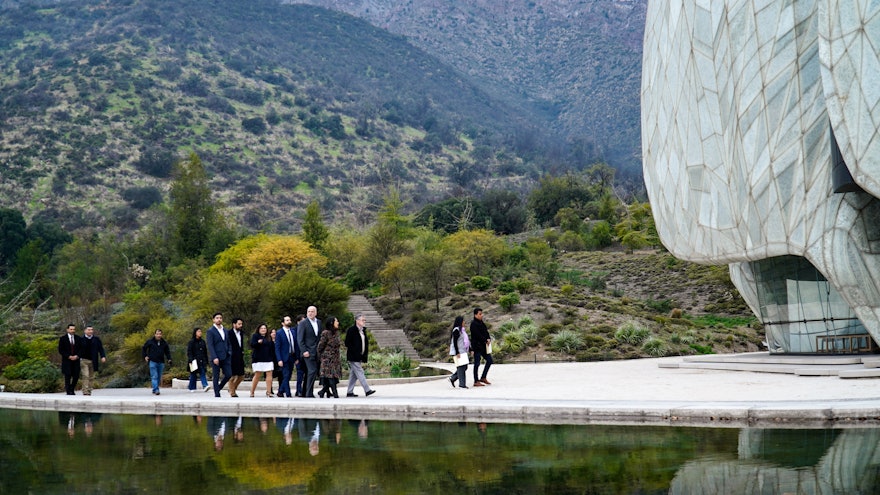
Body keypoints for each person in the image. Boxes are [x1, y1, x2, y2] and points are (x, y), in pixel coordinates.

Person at [345, 313, 376, 397]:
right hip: (353, 356)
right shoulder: (351, 330)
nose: (364, 321)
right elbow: (347, 343)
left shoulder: (363, 331)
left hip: (359, 356)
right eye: (363, 320)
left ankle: (349, 392)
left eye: (364, 320)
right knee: (360, 372)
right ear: (357, 321)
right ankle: (367, 390)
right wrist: (355, 352)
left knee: (353, 375)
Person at [297, 306, 321, 398]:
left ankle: (305, 392)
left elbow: (318, 337)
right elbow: (300, 339)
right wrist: (304, 351)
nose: (310, 313)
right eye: (309, 311)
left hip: (316, 352)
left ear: (316, 313)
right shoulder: (303, 323)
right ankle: (309, 393)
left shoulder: (318, 322)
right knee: (312, 371)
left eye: (312, 311)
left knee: (309, 372)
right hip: (307, 352)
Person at [206, 313, 233, 398]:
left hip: (225, 356)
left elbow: (228, 343)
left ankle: (219, 387)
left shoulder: (225, 330)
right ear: (213, 320)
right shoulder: (210, 331)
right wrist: (214, 357)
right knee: (216, 375)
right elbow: (210, 345)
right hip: (216, 356)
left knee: (229, 374)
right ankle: (217, 393)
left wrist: (229, 351)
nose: (219, 319)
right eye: (217, 318)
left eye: (220, 318)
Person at [316, 316, 342, 398]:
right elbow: (320, 346)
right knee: (330, 376)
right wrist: (321, 355)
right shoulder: (325, 333)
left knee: (333, 376)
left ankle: (323, 391)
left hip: (335, 358)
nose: (338, 323)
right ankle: (335, 393)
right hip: (327, 358)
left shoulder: (336, 333)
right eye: (336, 321)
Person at [142, 329, 171, 395]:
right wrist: (145, 356)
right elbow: (144, 348)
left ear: (161, 335)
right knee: (154, 376)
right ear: (155, 334)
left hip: (161, 362)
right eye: (157, 334)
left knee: (158, 376)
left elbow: (167, 352)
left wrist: (169, 359)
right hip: (152, 361)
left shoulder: (164, 343)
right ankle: (156, 389)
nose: (158, 335)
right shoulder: (150, 342)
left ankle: (155, 388)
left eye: (160, 334)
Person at [79, 325, 106, 396]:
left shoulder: (96, 339)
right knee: (85, 375)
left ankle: (89, 391)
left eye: (91, 330)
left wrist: (103, 356)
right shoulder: (80, 339)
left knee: (91, 377)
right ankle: (85, 391)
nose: (90, 331)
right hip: (84, 360)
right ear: (85, 331)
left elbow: (101, 349)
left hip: (93, 360)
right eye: (89, 330)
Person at [274, 316, 298, 398]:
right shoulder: (279, 333)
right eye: (287, 320)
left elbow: (295, 345)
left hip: (292, 356)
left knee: (289, 375)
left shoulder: (293, 331)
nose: (289, 321)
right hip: (284, 357)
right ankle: (288, 393)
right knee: (286, 375)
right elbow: (277, 347)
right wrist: (279, 359)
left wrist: (296, 357)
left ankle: (280, 391)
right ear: (283, 323)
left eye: (289, 320)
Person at [249, 323, 275, 397]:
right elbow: (252, 345)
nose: (263, 330)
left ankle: (269, 391)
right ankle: (252, 391)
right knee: (257, 375)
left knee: (269, 374)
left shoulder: (269, 338)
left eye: (265, 328)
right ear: (259, 329)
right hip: (258, 358)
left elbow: (272, 348)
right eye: (262, 328)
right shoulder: (255, 336)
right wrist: (258, 343)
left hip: (268, 358)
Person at [469, 307, 493, 386]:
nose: (481, 315)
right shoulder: (473, 324)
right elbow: (477, 335)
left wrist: (488, 338)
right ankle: (476, 381)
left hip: (483, 346)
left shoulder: (481, 323)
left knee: (489, 360)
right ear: (475, 315)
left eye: (482, 314)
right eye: (480, 314)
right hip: (477, 346)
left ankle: (483, 377)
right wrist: (485, 340)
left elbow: (486, 331)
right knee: (477, 363)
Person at [58, 323, 82, 395]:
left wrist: (77, 356)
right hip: (67, 361)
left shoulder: (78, 338)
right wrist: (68, 356)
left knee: (76, 376)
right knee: (67, 376)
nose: (72, 331)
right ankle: (68, 391)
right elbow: (61, 350)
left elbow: (82, 349)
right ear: (67, 329)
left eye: (74, 329)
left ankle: (72, 388)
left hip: (76, 360)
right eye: (71, 329)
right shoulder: (63, 339)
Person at [186, 327, 210, 392]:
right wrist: (191, 359)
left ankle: (205, 385)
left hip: (201, 360)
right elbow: (189, 351)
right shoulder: (191, 342)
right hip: (194, 360)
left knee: (202, 372)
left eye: (200, 331)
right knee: (193, 374)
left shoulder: (202, 342)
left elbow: (205, 352)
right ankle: (191, 387)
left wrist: (206, 360)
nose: (200, 333)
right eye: (198, 331)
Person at [448, 315, 469, 389]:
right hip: (458, 352)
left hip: (462, 351)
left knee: (464, 367)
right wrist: (457, 352)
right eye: (463, 321)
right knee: (461, 368)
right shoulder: (456, 330)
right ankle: (462, 384)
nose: (464, 322)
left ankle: (453, 378)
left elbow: (465, 341)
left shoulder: (462, 330)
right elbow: (455, 341)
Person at [227, 317, 246, 397]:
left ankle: (232, 388)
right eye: (239, 324)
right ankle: (232, 392)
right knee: (232, 375)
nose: (240, 325)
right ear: (234, 324)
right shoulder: (229, 333)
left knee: (241, 376)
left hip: (240, 356)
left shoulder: (241, 333)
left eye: (241, 324)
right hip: (232, 356)